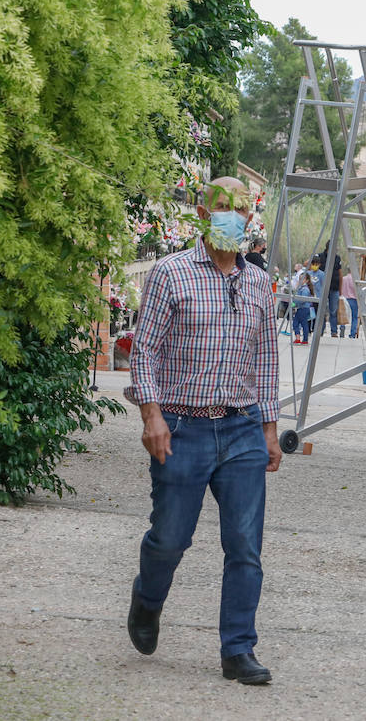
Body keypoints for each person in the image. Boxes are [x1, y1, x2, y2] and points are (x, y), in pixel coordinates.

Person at [123, 176, 282, 686]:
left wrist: (270, 430)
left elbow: (266, 361)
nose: (233, 214)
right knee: (171, 538)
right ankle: (148, 598)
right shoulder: (171, 274)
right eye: (223, 205)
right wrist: (152, 415)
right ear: (201, 211)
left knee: (244, 545)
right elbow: (144, 350)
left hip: (240, 431)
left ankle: (238, 650)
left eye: (242, 207)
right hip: (182, 427)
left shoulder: (258, 282)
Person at [290, 264, 314, 343]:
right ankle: (301, 338)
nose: (300, 281)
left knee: (298, 323)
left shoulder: (305, 290)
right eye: (299, 279)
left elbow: (302, 299)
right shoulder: (301, 288)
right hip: (301, 308)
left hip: (303, 309)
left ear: (306, 280)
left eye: (302, 279)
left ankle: (301, 338)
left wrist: (295, 302)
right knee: (302, 324)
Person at [326, 253, 343, 338]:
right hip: (325, 288)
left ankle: (334, 331)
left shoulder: (337, 258)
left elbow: (340, 274)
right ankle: (322, 330)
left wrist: (340, 290)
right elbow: (340, 275)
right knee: (329, 311)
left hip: (334, 288)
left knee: (333, 311)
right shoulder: (321, 256)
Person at [341, 270, 359, 338]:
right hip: (353, 300)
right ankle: (352, 334)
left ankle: (342, 329)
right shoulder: (355, 280)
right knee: (354, 318)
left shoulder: (343, 278)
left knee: (343, 317)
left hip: (344, 299)